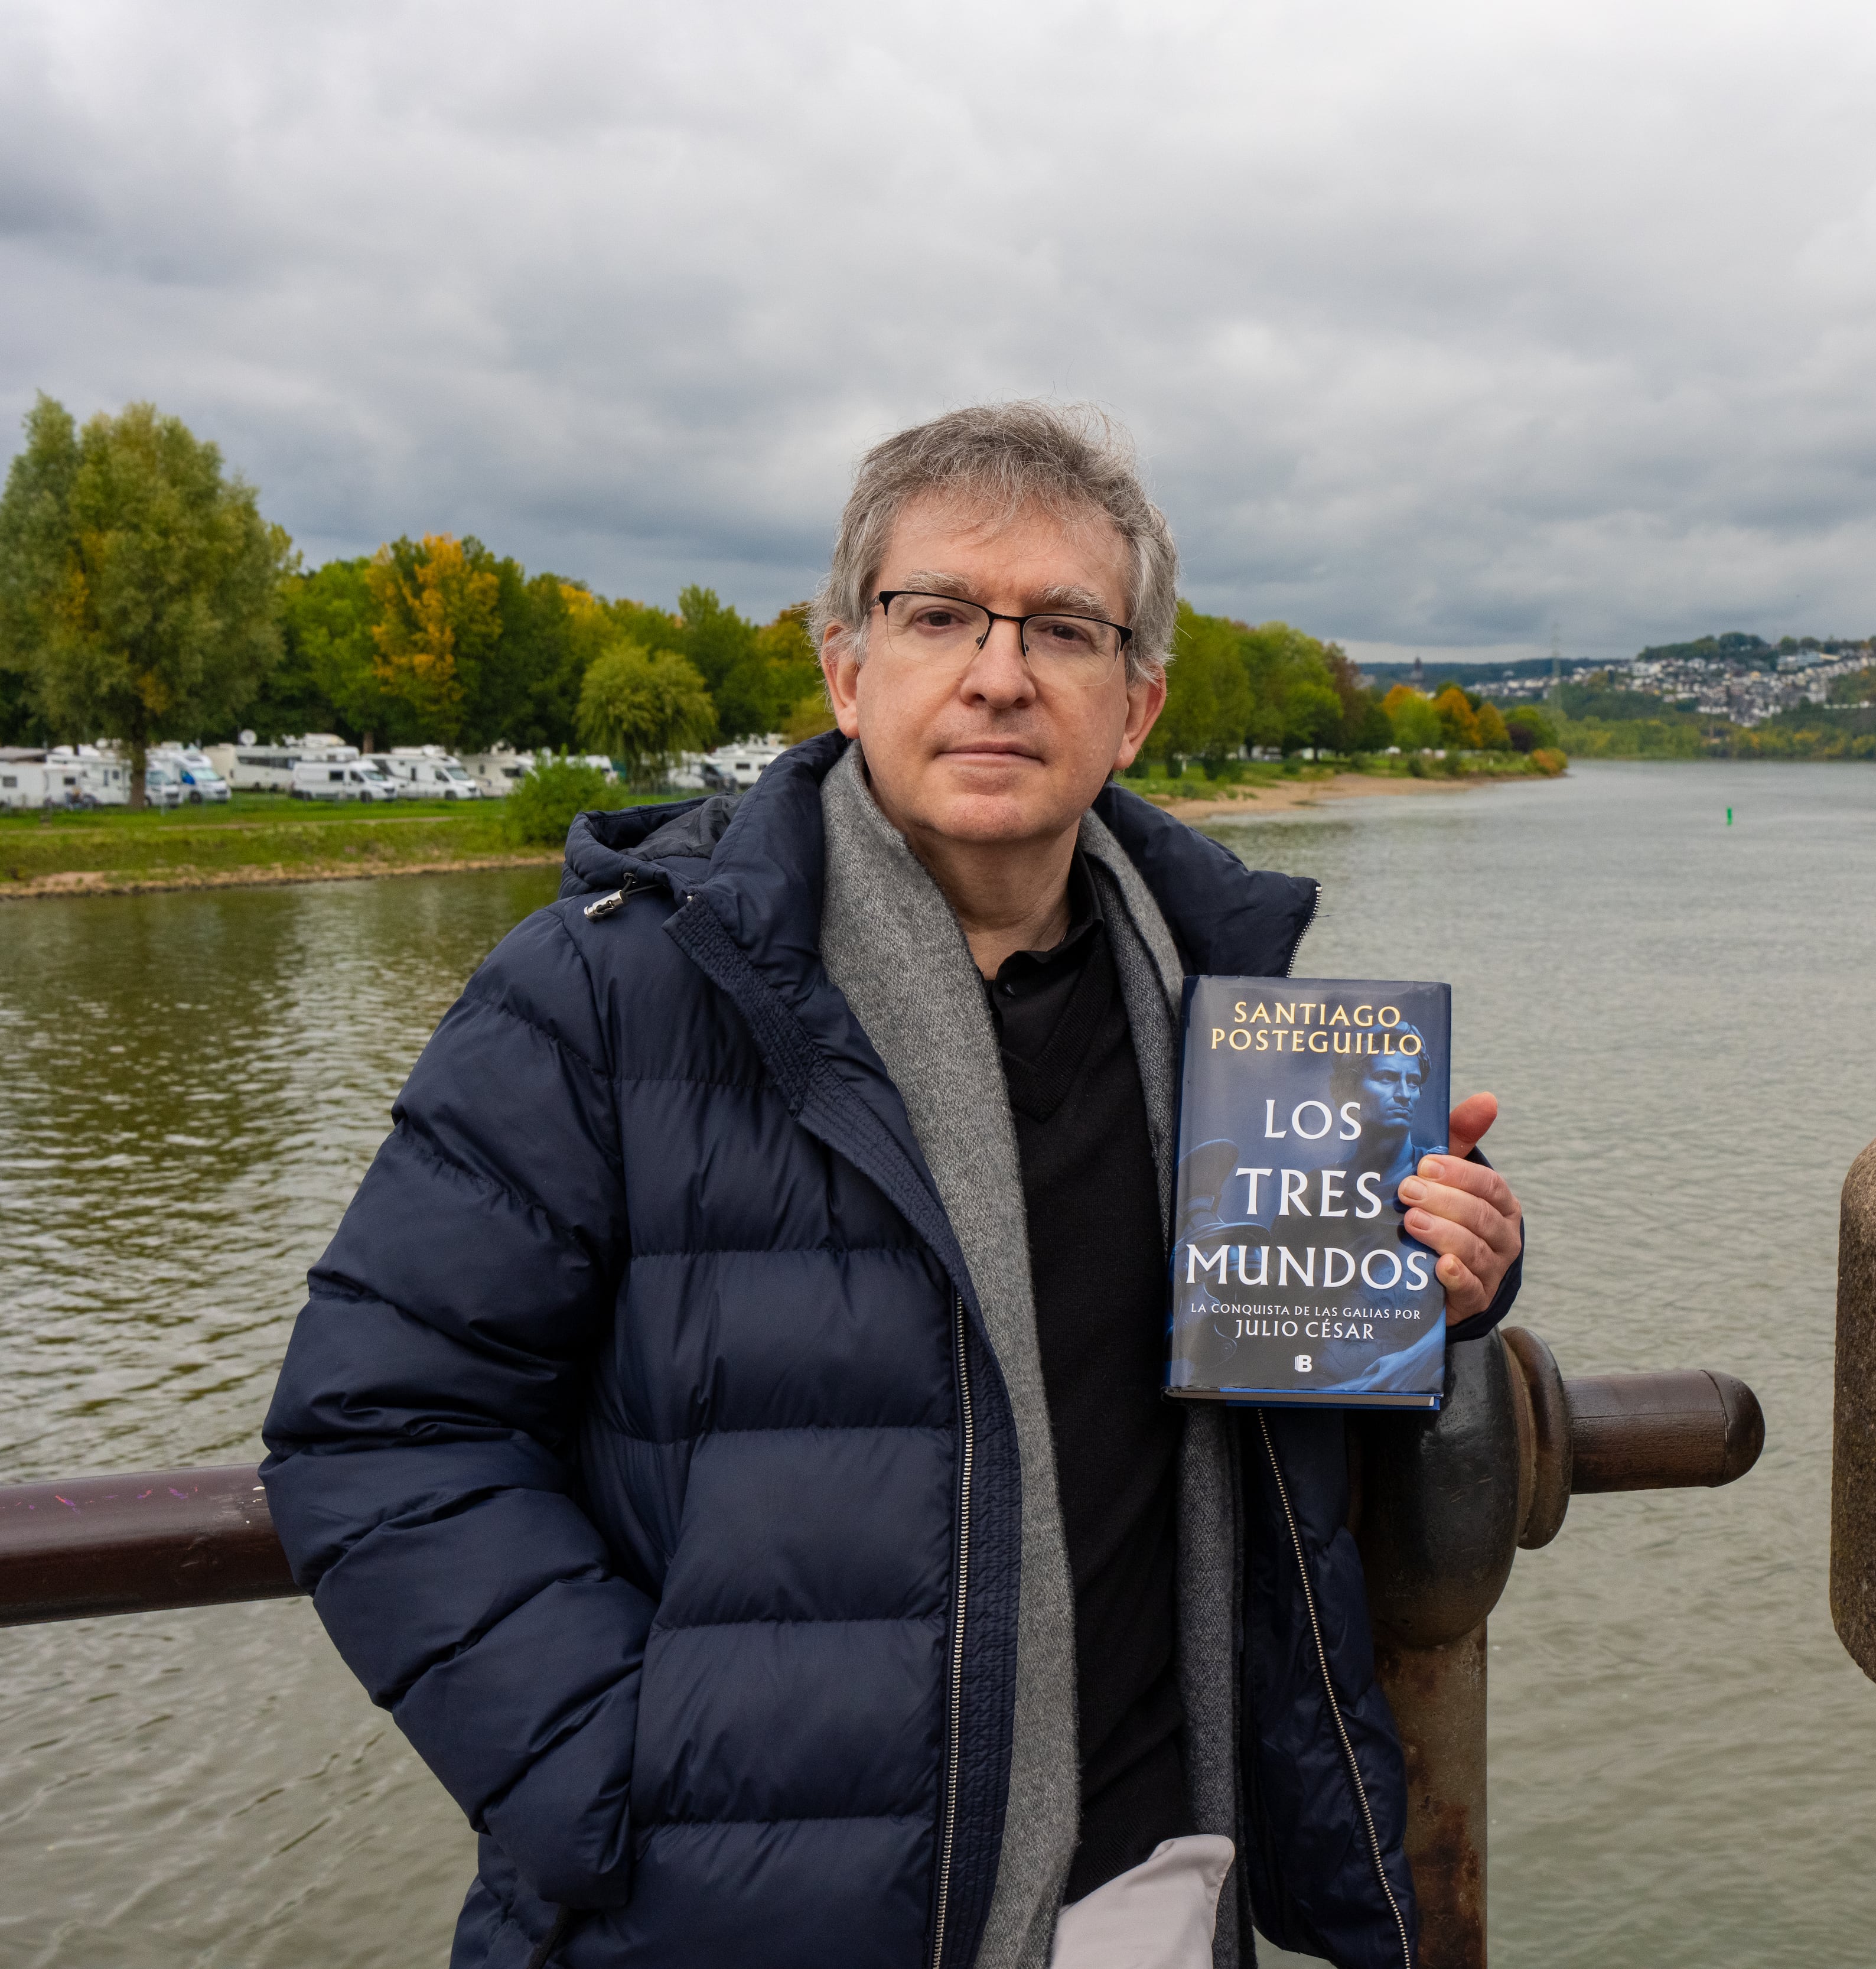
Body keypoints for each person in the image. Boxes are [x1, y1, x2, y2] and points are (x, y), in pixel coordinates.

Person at [260, 404, 1525, 1969]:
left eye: (1066, 627)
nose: (999, 672)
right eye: (938, 615)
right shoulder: (605, 994)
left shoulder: (1236, 1008)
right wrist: (634, 1790)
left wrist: (1450, 1271)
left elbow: (1291, 1377)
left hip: (1155, 1888)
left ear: (1135, 708)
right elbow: (378, 1426)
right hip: (738, 1923)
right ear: (849, 669)